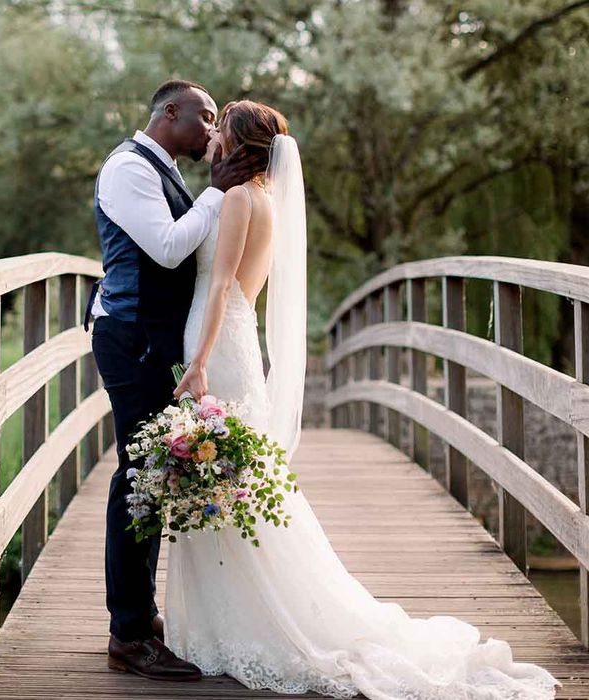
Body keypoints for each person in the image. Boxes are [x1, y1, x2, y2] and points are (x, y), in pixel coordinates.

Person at [170, 99, 562, 699]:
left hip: (217, 344)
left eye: (221, 128)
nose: (213, 136)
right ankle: (229, 618)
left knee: (219, 475)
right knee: (233, 477)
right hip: (240, 340)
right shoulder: (267, 204)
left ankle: (240, 623)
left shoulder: (235, 201)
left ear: (240, 142)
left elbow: (219, 283)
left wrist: (197, 362)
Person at [87, 79, 263, 681]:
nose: (213, 131)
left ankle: (140, 615)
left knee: (155, 476)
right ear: (169, 113)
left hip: (153, 341)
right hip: (132, 339)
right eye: (204, 117)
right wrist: (217, 195)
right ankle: (129, 632)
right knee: (137, 478)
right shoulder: (128, 168)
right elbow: (164, 251)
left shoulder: (163, 168)